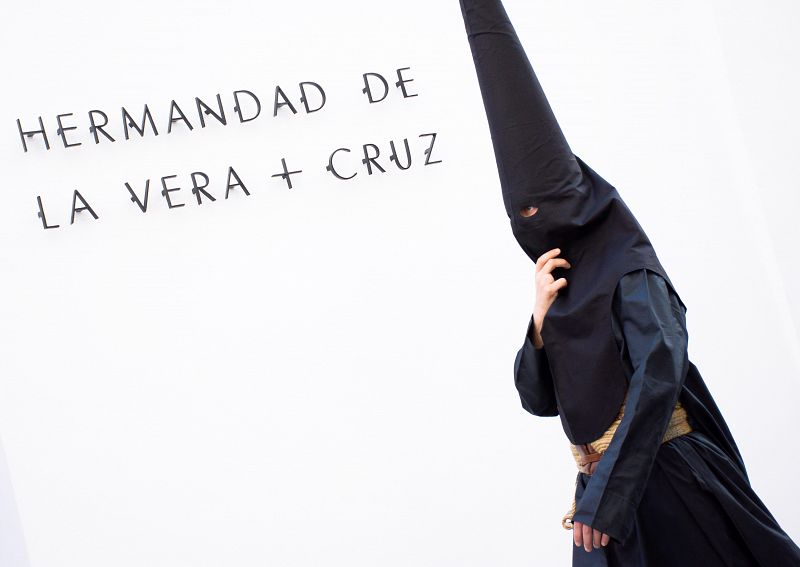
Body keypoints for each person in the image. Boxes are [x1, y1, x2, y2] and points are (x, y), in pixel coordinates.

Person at [458, 0, 800, 565]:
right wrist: (539, 325)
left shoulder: (631, 271)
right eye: (521, 213)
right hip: (600, 492)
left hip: (668, 481)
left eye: (540, 207)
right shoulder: (562, 285)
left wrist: (609, 499)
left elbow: (659, 372)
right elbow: (538, 402)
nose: (532, 221)